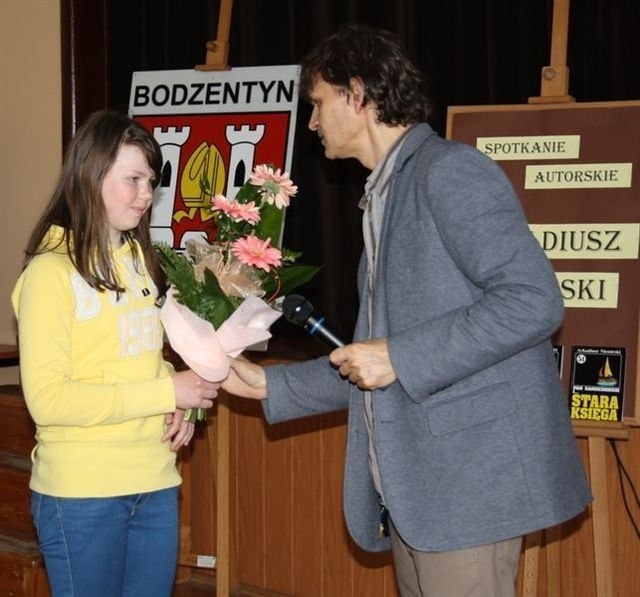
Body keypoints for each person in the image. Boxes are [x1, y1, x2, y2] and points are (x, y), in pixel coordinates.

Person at [222, 24, 592, 597]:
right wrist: (274, 389)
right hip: (420, 491)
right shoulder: (387, 192)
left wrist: (398, 354)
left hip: (466, 488)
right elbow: (373, 360)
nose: (313, 122)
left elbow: (532, 301)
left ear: (357, 93)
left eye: (318, 104)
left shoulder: (450, 172)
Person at [11, 110, 219, 597]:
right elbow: (48, 400)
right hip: (82, 494)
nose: (146, 195)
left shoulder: (141, 264)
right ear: (90, 176)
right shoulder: (49, 273)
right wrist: (165, 389)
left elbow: (141, 358)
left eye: (151, 181)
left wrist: (179, 403)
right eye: (133, 180)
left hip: (154, 480)